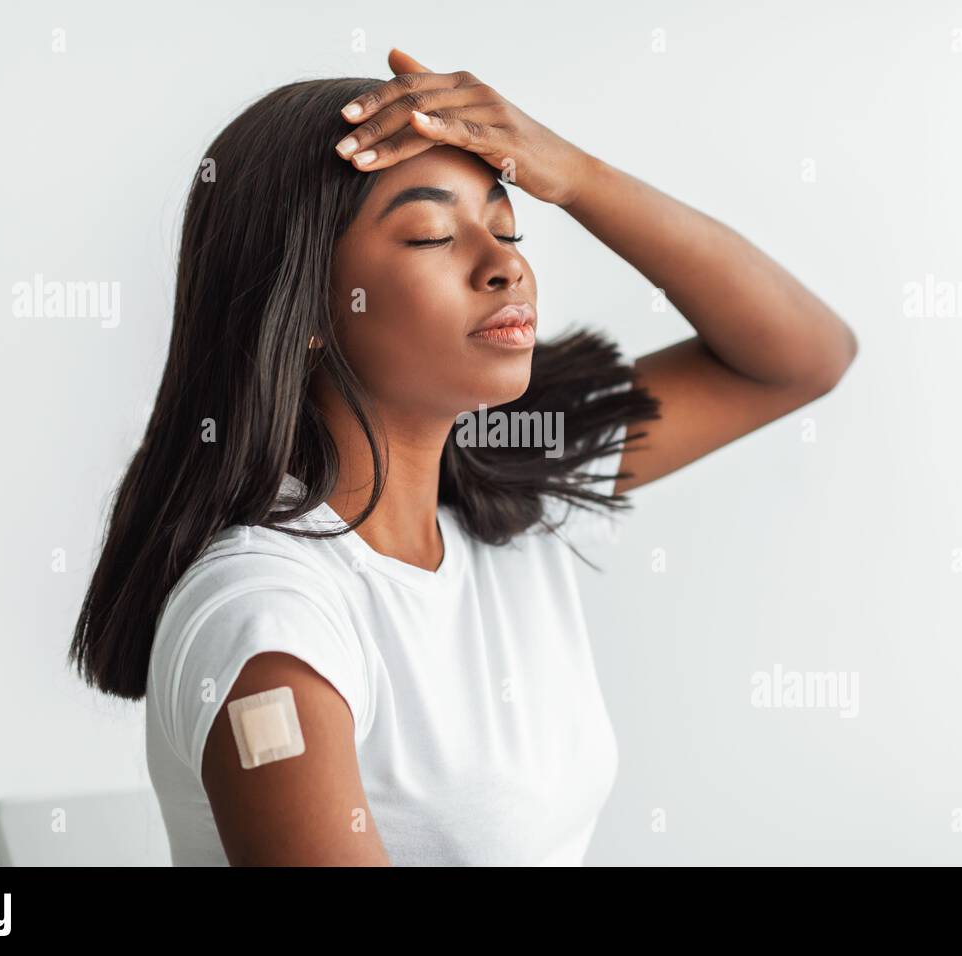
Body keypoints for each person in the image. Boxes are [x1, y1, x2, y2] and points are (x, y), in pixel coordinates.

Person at [68, 48, 858, 866]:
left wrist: (577, 176)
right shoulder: (271, 623)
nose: (505, 263)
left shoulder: (508, 478)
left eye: (507, 226)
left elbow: (804, 357)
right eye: (433, 234)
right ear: (303, 305)